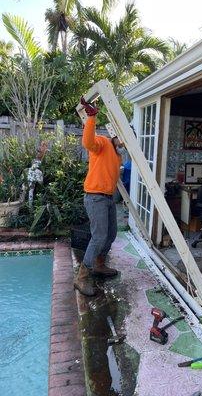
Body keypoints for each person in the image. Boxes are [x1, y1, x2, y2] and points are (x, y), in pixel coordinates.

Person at [74, 97, 123, 296]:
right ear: (116, 135)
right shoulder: (102, 142)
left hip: (107, 199)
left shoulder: (117, 154)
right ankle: (82, 278)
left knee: (110, 235)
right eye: (123, 140)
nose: (124, 144)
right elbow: (87, 142)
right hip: (95, 197)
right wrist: (91, 118)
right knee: (99, 236)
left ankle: (99, 265)